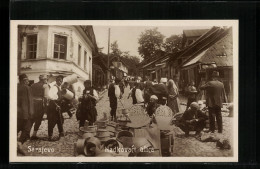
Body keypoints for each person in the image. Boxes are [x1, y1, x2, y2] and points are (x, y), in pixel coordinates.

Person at [17, 74, 34, 148]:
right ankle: (19, 143)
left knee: (18, 127)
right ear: (24, 80)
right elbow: (26, 102)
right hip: (25, 113)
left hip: (18, 113)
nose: (28, 81)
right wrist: (28, 113)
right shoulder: (26, 88)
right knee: (27, 128)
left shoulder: (18, 87)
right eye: (27, 79)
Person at [30, 74, 49, 140]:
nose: (46, 80)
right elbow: (46, 96)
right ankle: (34, 135)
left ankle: (26, 134)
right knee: (38, 119)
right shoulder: (45, 86)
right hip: (40, 103)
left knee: (31, 119)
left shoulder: (32, 85)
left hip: (32, 103)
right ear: (43, 80)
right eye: (46, 79)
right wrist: (46, 106)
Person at [47, 75, 65, 141]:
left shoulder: (59, 88)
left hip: (58, 106)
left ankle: (61, 133)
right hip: (53, 106)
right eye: (59, 80)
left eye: (61, 81)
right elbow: (50, 97)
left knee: (60, 120)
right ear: (56, 80)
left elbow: (58, 97)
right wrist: (56, 105)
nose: (60, 82)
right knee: (52, 121)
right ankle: (50, 135)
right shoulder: (54, 87)